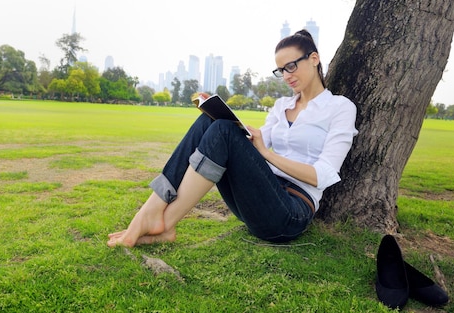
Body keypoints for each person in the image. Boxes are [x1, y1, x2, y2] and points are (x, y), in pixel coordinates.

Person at [107, 30, 358, 247]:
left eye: (291, 66)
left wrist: (268, 154)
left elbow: (325, 175)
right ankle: (154, 208)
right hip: (257, 195)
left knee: (224, 131)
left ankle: (165, 223)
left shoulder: (339, 107)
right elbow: (252, 142)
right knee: (213, 121)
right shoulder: (282, 106)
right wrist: (224, 115)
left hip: (290, 212)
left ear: (314, 59)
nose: (286, 76)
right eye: (280, 70)